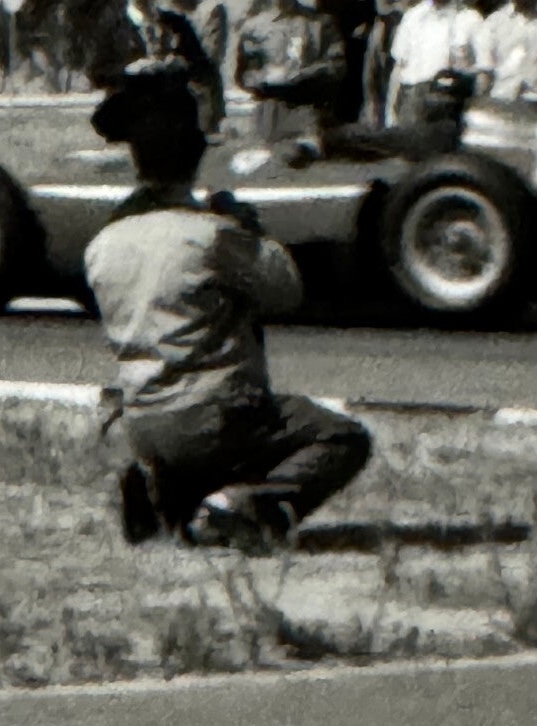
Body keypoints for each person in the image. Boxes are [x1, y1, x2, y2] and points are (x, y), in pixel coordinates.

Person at [82, 71, 372, 552]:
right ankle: (250, 505)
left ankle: (165, 494)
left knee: (199, 450)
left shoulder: (102, 246)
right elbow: (285, 290)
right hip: (218, 415)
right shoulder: (211, 235)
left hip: (144, 420)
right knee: (341, 437)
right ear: (195, 155)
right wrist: (245, 228)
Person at [234, 0, 344, 141]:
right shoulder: (254, 28)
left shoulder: (318, 24)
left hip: (308, 108)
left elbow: (337, 64)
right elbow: (244, 74)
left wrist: (303, 73)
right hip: (269, 110)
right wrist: (263, 78)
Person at [384, 0, 483, 126]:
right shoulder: (412, 18)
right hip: (412, 102)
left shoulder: (469, 19)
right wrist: (390, 112)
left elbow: (481, 72)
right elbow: (399, 68)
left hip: (447, 104)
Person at [92, 0, 213, 95]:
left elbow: (203, 67)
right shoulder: (113, 27)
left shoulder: (176, 23)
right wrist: (131, 70)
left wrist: (179, 64)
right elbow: (98, 74)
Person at [157, 0, 229, 134]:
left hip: (201, 100)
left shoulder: (208, 11)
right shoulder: (155, 14)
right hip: (162, 102)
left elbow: (211, 57)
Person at [314, 0, 377, 124]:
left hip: (358, 44)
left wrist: (367, 26)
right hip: (335, 44)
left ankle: (352, 124)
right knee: (335, 84)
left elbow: (371, 10)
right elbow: (321, 15)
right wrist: (333, 39)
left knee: (355, 85)